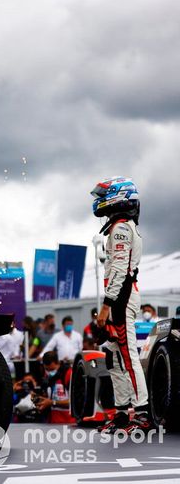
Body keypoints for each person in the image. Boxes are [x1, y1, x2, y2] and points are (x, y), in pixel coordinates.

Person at [91, 176, 152, 433]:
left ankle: (141, 413)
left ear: (119, 197)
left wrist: (106, 306)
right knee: (114, 358)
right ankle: (122, 412)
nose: (100, 201)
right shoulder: (120, 226)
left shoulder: (122, 228)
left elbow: (119, 270)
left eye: (104, 196)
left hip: (122, 297)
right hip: (120, 296)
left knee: (127, 355)